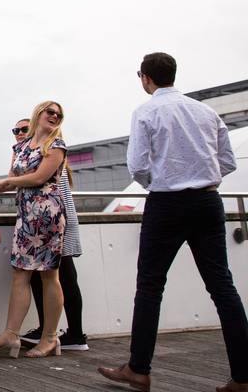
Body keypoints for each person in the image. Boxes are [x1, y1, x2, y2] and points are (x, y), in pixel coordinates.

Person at [98, 53, 247, 392]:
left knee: (150, 286)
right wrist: (201, 179)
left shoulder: (146, 112)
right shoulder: (205, 112)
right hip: (209, 202)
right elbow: (227, 161)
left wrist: (164, 183)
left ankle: (139, 369)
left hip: (166, 203)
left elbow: (136, 166)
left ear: (146, 78)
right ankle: (243, 376)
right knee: (223, 288)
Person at [0, 101, 68, 359]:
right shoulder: (21, 147)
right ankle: (11, 333)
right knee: (19, 273)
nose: (54, 116)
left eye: (58, 114)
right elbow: (9, 182)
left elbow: (36, 178)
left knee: (48, 275)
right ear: (39, 114)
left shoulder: (56, 146)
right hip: (25, 217)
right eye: (50, 112)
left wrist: (7, 181)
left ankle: (49, 338)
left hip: (47, 216)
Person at [13, 116, 89, 351]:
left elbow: (54, 193)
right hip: (44, 225)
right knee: (48, 277)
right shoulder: (30, 154)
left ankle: (70, 333)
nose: (18, 133)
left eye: (24, 129)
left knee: (62, 277)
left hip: (55, 224)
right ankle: (52, 330)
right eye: (15, 130)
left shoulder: (51, 153)